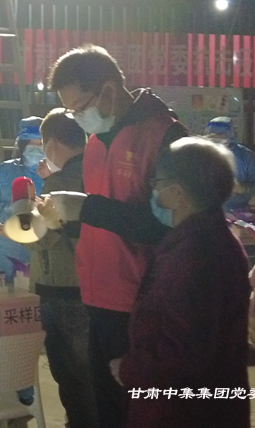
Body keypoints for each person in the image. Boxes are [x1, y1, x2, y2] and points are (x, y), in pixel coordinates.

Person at [39, 137, 250, 428]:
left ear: (179, 193)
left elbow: (180, 350)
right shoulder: (209, 240)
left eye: (157, 183)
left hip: (182, 410)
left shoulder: (193, 257)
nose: (153, 191)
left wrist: (130, 369)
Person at [48, 45, 186, 428]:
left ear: (109, 90)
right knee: (106, 410)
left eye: (80, 107)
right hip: (96, 298)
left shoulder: (165, 135)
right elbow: (100, 222)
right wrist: (61, 220)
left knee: (143, 413)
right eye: (71, 112)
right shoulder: (95, 142)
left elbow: (167, 225)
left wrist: (86, 208)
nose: (79, 118)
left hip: (142, 304)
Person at [24, 108, 98, 428]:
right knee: (95, 375)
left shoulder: (59, 184)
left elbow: (39, 239)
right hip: (96, 287)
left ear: (52, 144)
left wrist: (26, 209)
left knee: (72, 378)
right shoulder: (98, 171)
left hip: (62, 289)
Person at [0, 116, 45, 284]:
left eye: (41, 144)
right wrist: (9, 211)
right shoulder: (4, 172)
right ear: (22, 145)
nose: (36, 149)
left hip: (39, 260)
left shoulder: (54, 176)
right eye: (31, 144)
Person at [205, 116, 255, 212]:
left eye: (220, 134)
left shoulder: (245, 155)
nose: (216, 137)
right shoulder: (201, 154)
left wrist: (243, 189)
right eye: (212, 135)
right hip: (208, 209)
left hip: (238, 210)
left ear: (230, 134)